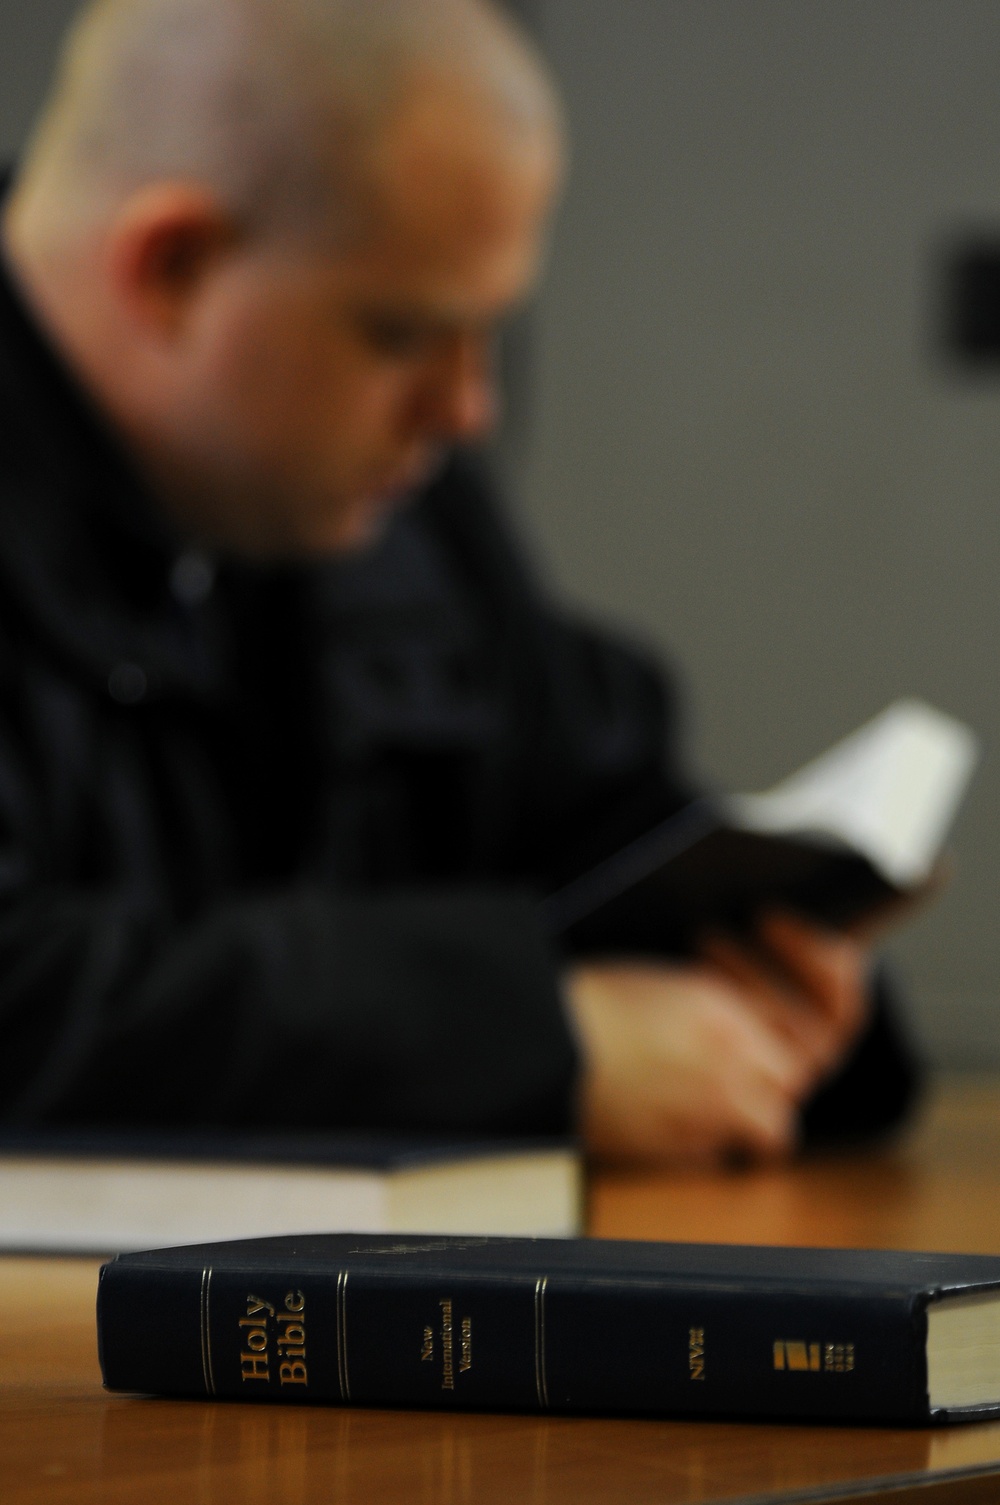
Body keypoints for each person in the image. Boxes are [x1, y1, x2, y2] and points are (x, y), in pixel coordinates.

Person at [0, 0, 916, 1164]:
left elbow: (583, 799)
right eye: (400, 335)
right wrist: (521, 1042)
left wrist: (766, 977)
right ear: (169, 264)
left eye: (486, 335)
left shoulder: (366, 492)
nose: (464, 409)